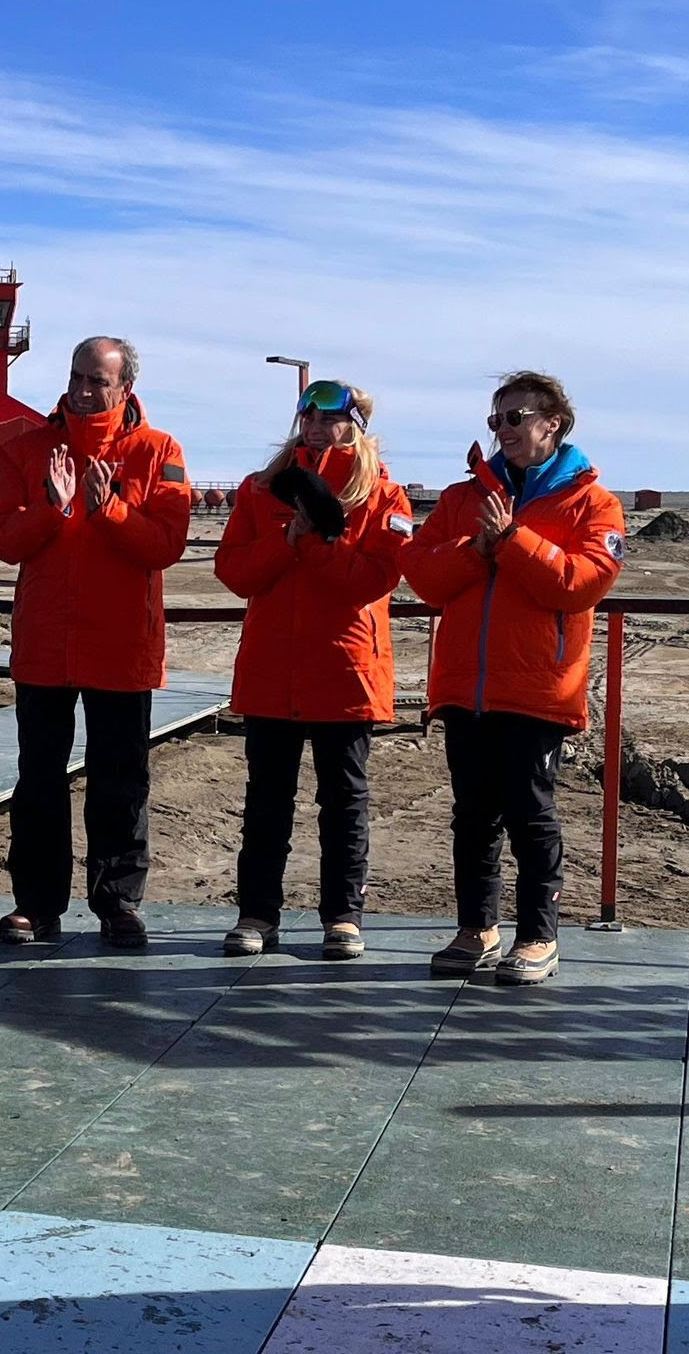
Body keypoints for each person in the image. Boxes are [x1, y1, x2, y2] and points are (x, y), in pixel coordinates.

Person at [399, 371, 625, 985]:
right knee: (472, 815)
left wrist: (515, 540)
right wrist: (477, 548)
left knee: (530, 813)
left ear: (553, 423)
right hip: (465, 684)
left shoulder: (594, 504)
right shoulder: (460, 498)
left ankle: (537, 937)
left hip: (537, 687)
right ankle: (477, 927)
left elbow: (582, 584)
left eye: (515, 418)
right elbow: (421, 573)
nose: (503, 431)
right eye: (495, 420)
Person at [0, 336, 191, 949]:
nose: (82, 389)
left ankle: (118, 902)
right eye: (77, 376)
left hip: (121, 645)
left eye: (98, 381)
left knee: (120, 779)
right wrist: (53, 508)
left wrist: (110, 512)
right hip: (46, 644)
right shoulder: (26, 449)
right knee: (39, 778)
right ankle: (37, 905)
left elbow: (166, 545)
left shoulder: (159, 451)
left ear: (124, 388)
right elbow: (1, 537)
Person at [213, 380, 412, 959]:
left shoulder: (383, 495)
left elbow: (373, 581)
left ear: (355, 424)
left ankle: (343, 918)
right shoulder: (261, 489)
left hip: (345, 670)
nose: (318, 425)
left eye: (332, 416)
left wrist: (319, 543)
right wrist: (287, 538)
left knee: (344, 800)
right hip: (273, 669)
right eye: (309, 414)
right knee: (265, 800)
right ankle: (256, 915)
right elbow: (234, 571)